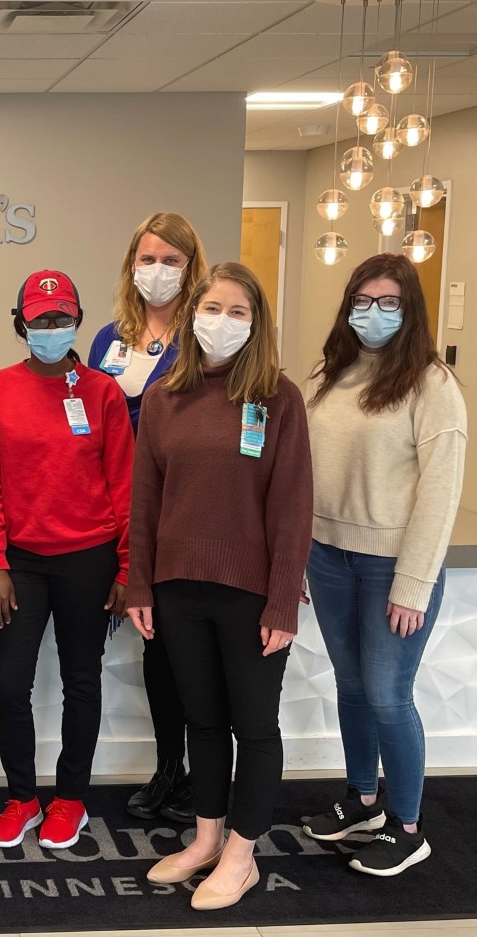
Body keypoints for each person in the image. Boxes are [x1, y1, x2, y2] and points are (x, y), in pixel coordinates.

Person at [125, 262, 312, 911]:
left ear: (256, 323)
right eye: (213, 308)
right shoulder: (162, 398)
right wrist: (138, 587)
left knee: (253, 726)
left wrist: (284, 599)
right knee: (201, 721)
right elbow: (144, 502)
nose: (222, 322)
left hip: (252, 594)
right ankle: (206, 840)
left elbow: (293, 507)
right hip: (177, 589)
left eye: (238, 312)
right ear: (191, 315)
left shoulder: (279, 398)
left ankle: (242, 853)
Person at [301, 253, 466, 877]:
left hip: (392, 565)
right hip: (330, 557)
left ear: (411, 310)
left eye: (389, 302)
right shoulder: (333, 373)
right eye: (362, 300)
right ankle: (362, 801)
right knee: (351, 686)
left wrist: (413, 583)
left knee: (389, 694)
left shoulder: (433, 385)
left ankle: (407, 826)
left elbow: (440, 492)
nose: (373, 313)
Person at [0, 269, 133, 853]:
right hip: (20, 563)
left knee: (80, 680)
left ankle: (71, 799)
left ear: (77, 321)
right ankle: (22, 797)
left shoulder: (102, 392)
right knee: (9, 685)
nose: (52, 327)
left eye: (63, 317)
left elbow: (125, 484)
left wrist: (125, 566)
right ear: (20, 323)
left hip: (89, 559)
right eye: (41, 319)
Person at [88, 212, 210, 823]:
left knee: (187, 650)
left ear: (191, 268)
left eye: (170, 260)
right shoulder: (109, 337)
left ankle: (203, 778)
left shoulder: (205, 337)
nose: (156, 271)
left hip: (181, 512)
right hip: (121, 512)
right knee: (155, 649)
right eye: (146, 258)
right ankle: (170, 770)